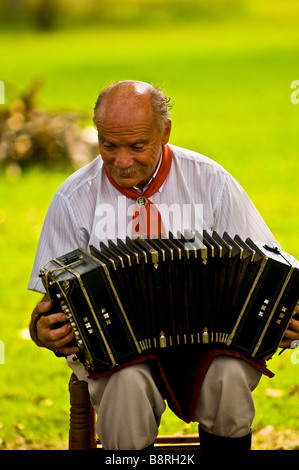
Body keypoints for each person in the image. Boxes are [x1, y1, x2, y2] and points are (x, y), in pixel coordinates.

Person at [28, 80, 299, 450]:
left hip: (210, 342)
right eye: (109, 145)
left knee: (228, 378)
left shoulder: (211, 181)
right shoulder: (74, 197)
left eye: (137, 146)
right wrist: (44, 332)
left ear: (165, 131)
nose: (122, 161)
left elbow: (272, 268)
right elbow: (50, 305)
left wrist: (283, 317)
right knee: (127, 389)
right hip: (117, 352)